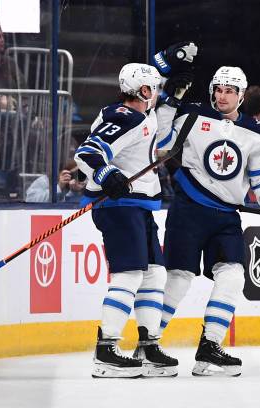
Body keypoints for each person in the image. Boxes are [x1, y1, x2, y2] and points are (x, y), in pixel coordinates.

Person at [155, 66, 260, 376]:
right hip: (188, 210)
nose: (222, 95)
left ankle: (209, 349)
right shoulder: (192, 115)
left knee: (232, 276)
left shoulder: (258, 134)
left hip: (225, 217)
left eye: (229, 91)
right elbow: (162, 142)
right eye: (218, 89)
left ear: (242, 96)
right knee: (179, 278)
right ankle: (149, 344)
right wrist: (167, 101)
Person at [74, 62, 191, 378]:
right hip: (119, 207)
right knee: (128, 275)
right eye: (153, 88)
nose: (157, 93)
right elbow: (88, 152)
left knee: (154, 274)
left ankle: (148, 345)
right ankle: (106, 350)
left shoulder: (143, 115)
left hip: (139, 207)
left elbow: (158, 115)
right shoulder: (124, 117)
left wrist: (170, 69)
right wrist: (107, 173)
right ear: (143, 91)